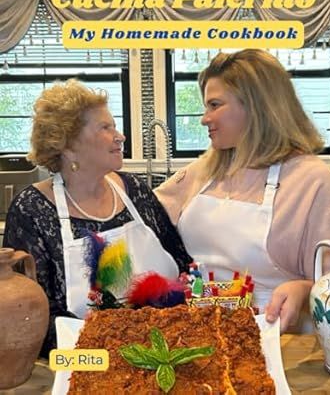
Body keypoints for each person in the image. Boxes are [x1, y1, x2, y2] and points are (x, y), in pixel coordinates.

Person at [155, 49, 330, 333]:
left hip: (279, 341)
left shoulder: (313, 182)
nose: (204, 118)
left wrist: (304, 289)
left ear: (257, 106)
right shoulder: (203, 171)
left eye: (214, 105)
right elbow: (149, 218)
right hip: (199, 334)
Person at [3, 79, 192, 357]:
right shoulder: (33, 210)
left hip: (164, 351)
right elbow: (33, 318)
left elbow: (181, 262)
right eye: (106, 128)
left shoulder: (135, 190)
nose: (120, 136)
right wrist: (114, 345)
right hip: (88, 360)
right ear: (68, 145)